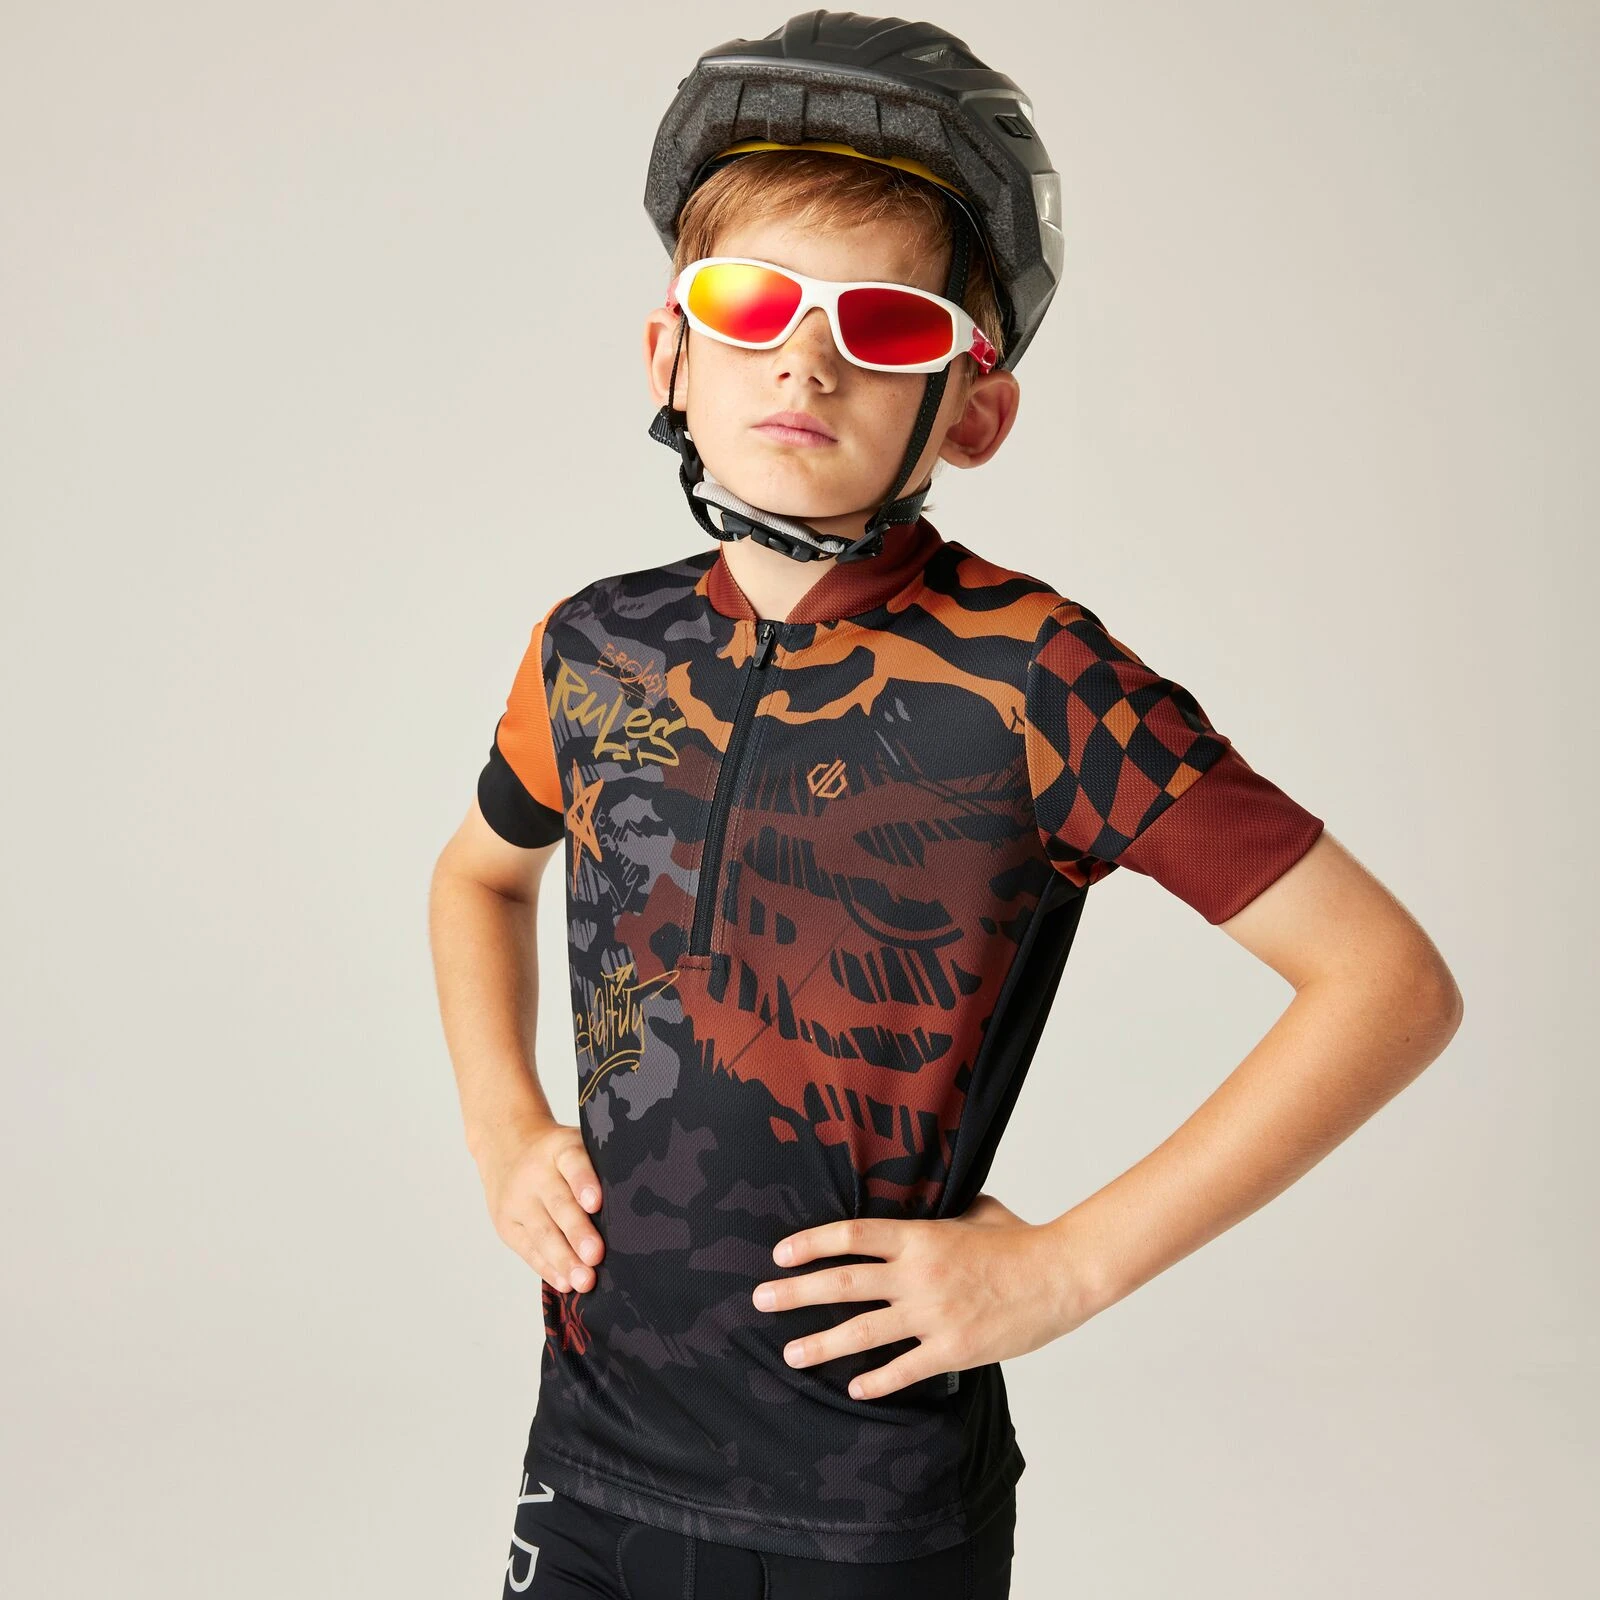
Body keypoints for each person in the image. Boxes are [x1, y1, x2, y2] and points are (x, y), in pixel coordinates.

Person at [428, 14, 1464, 1599]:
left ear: (972, 411)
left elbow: (1388, 983)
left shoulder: (1036, 678)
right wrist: (505, 1124)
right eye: (751, 302)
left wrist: (1066, 1269)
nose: (806, 359)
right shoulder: (593, 648)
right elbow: (478, 879)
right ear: (669, 356)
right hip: (594, 1457)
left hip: (874, 1501)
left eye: (887, 324)